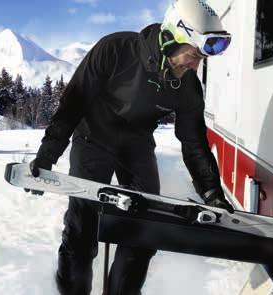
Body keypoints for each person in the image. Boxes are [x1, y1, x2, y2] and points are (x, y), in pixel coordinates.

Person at [27, 0, 234, 294]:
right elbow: (73, 103)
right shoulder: (115, 50)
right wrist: (48, 154)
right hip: (93, 137)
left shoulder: (187, 83)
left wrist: (212, 193)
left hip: (136, 144)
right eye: (192, 55)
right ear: (170, 40)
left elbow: (194, 141)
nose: (195, 66)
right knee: (82, 229)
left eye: (201, 59)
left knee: (144, 231)